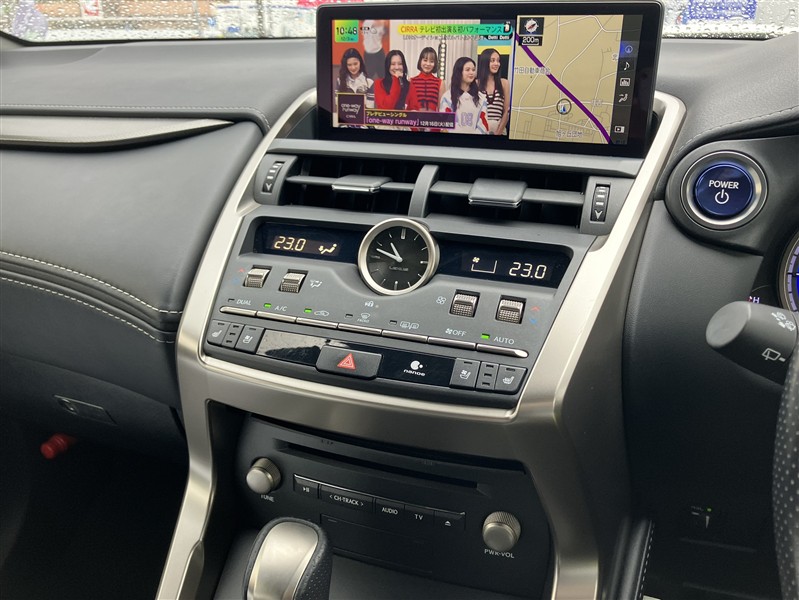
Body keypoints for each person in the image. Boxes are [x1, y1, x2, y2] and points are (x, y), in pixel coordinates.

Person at [439, 56, 489, 134]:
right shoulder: (447, 97)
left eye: (473, 70)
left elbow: (484, 124)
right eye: (467, 70)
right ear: (459, 72)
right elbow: (445, 123)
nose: (471, 73)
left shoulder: (482, 98)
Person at [477, 48, 510, 135]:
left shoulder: (504, 83)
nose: (496, 63)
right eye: (492, 60)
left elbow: (506, 112)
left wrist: (498, 133)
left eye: (498, 61)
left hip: (499, 130)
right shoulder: (476, 84)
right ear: (485, 62)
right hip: (480, 129)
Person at [407, 47, 442, 112]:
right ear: (420, 61)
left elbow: (442, 109)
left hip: (432, 118)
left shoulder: (440, 83)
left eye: (431, 61)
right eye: (425, 60)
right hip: (414, 117)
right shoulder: (411, 81)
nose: (428, 64)